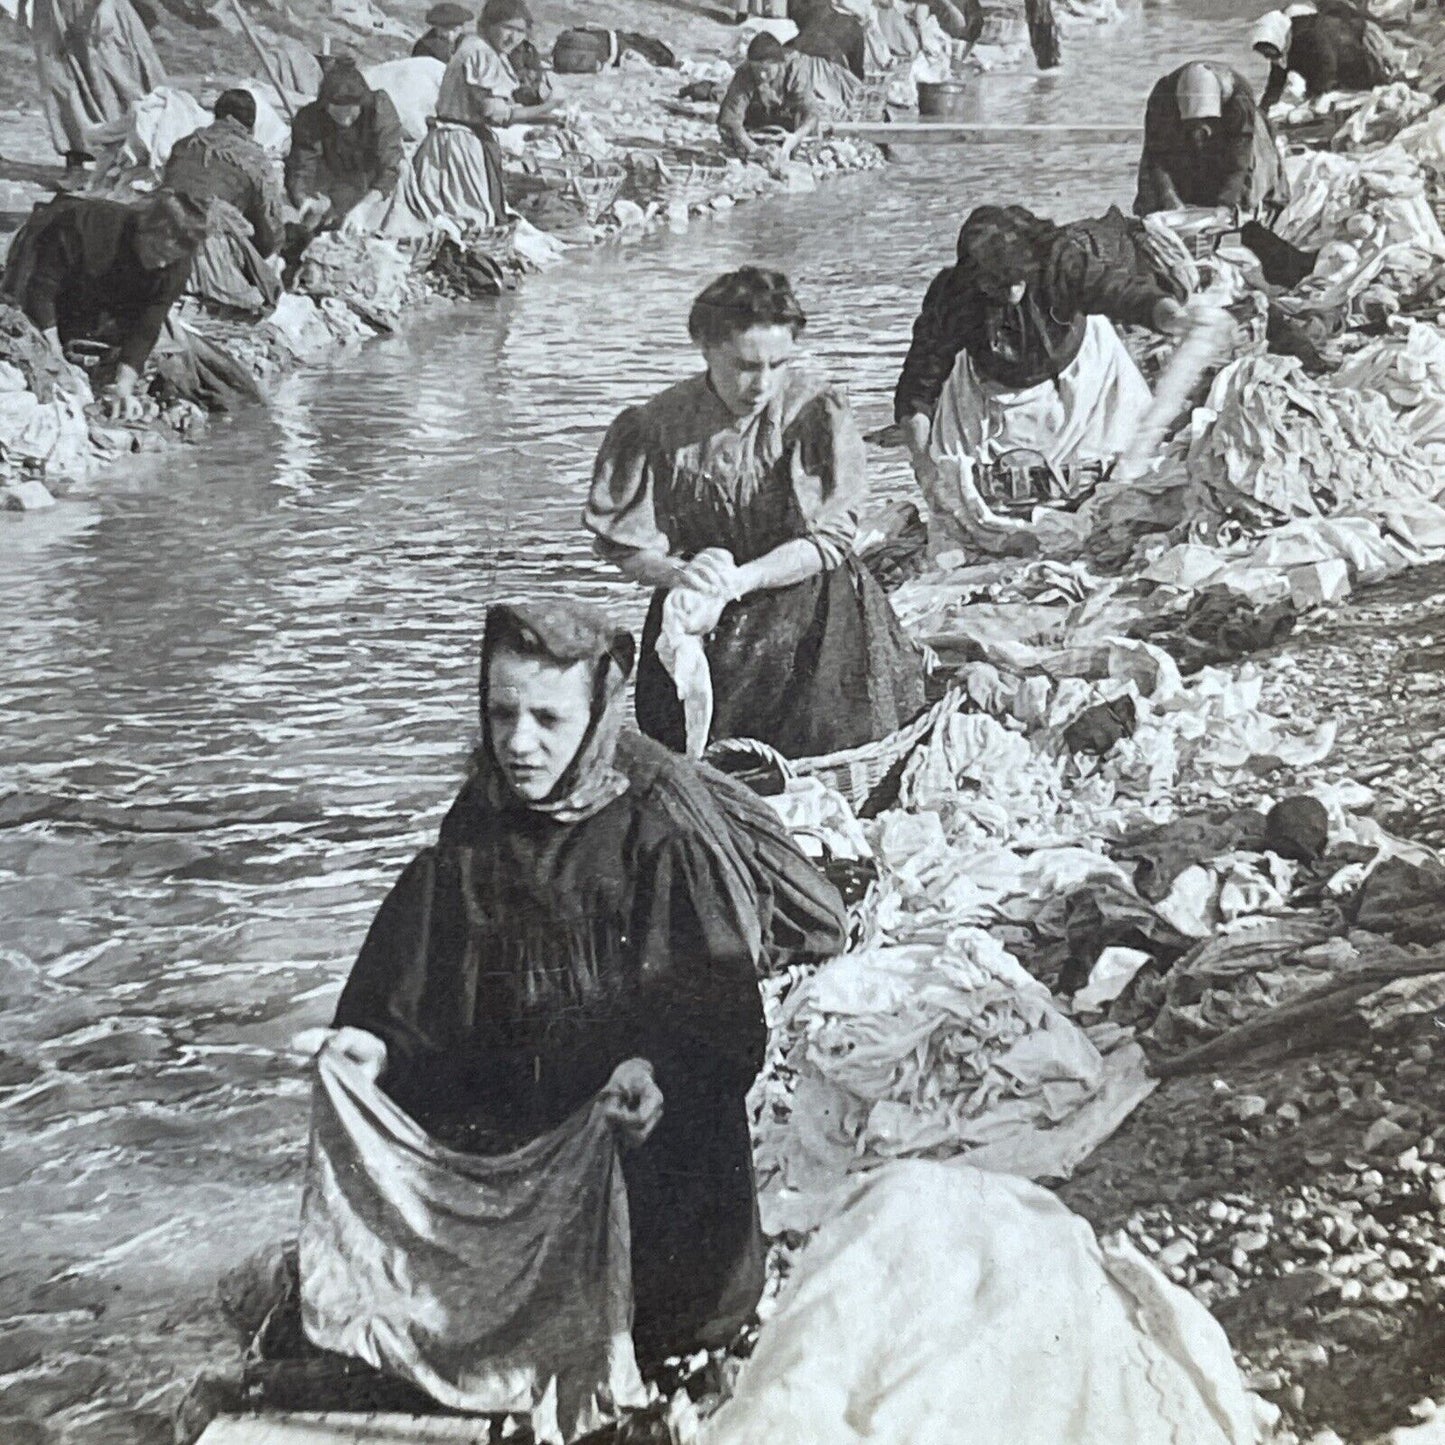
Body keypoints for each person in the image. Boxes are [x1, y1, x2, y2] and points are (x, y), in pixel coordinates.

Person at [328, 598, 849, 1365]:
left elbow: (721, 1018)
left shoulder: (655, 834)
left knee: (641, 1323)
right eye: (501, 712)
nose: (518, 742)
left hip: (650, 1182)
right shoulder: (476, 825)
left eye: (547, 717)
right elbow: (414, 989)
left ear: (599, 714)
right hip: (520, 1162)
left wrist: (656, 1072)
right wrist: (369, 1046)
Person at [586, 267, 928, 759]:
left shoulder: (814, 412)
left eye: (778, 364)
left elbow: (829, 541)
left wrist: (741, 581)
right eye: (743, 366)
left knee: (822, 739)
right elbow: (629, 546)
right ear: (704, 347)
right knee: (694, 751)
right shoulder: (658, 424)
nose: (761, 384)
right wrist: (680, 572)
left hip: (811, 611)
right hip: (703, 609)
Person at [893, 205, 1188, 492]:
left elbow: (1122, 291)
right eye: (997, 285)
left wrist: (1174, 319)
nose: (1011, 294)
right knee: (981, 486)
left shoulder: (1057, 261)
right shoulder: (953, 296)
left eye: (1017, 281)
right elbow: (919, 385)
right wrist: (923, 462)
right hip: (995, 394)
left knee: (1118, 474)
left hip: (1086, 376)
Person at [1, 189, 207, 420]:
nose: (160, 263)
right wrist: (55, 355)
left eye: (168, 259)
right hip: (54, 269)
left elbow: (148, 324)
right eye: (156, 251)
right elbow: (41, 291)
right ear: (142, 229)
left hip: (106, 294)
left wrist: (124, 384)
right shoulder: (88, 227)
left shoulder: (175, 267)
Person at [388, 0, 562, 235]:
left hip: (455, 141)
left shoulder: (476, 47)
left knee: (462, 213)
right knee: (469, 218)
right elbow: (495, 115)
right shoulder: (481, 55)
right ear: (488, 25)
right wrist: (549, 106)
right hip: (459, 147)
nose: (513, 37)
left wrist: (547, 118)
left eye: (520, 31)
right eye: (507, 28)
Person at [1135, 61, 1288, 219]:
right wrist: (1169, 198)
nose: (1200, 126)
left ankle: (1254, 212)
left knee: (1248, 181)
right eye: (1193, 122)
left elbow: (1240, 158)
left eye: (1205, 121)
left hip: (1229, 135)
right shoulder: (1163, 97)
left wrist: (1226, 203)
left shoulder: (1239, 95)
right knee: (1153, 194)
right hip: (1178, 139)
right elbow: (1157, 156)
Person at [30, 0, 167, 172]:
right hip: (53, 12)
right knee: (60, 79)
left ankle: (125, 156)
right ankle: (75, 160)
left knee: (113, 81)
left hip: (99, 10)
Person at [285, 60, 405, 240]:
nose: (346, 120)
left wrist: (364, 207)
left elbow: (390, 169)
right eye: (338, 113)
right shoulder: (309, 118)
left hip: (377, 190)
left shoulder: (379, 109)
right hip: (337, 183)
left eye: (351, 112)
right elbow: (302, 168)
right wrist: (304, 199)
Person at [1252, 3, 1399, 108]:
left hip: (1356, 66)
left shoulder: (1310, 36)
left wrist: (1315, 94)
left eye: (1268, 53)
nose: (1268, 57)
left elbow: (1327, 64)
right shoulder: (1281, 45)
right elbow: (1276, 81)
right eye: (1265, 54)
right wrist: (1264, 108)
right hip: (1334, 74)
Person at [718, 34, 823, 162]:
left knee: (810, 142)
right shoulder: (745, 73)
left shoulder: (795, 70)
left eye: (767, 70)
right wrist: (754, 149)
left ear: (780, 64)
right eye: (757, 69)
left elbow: (812, 113)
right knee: (728, 135)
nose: (762, 75)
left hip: (790, 124)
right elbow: (730, 118)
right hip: (756, 123)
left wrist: (794, 139)